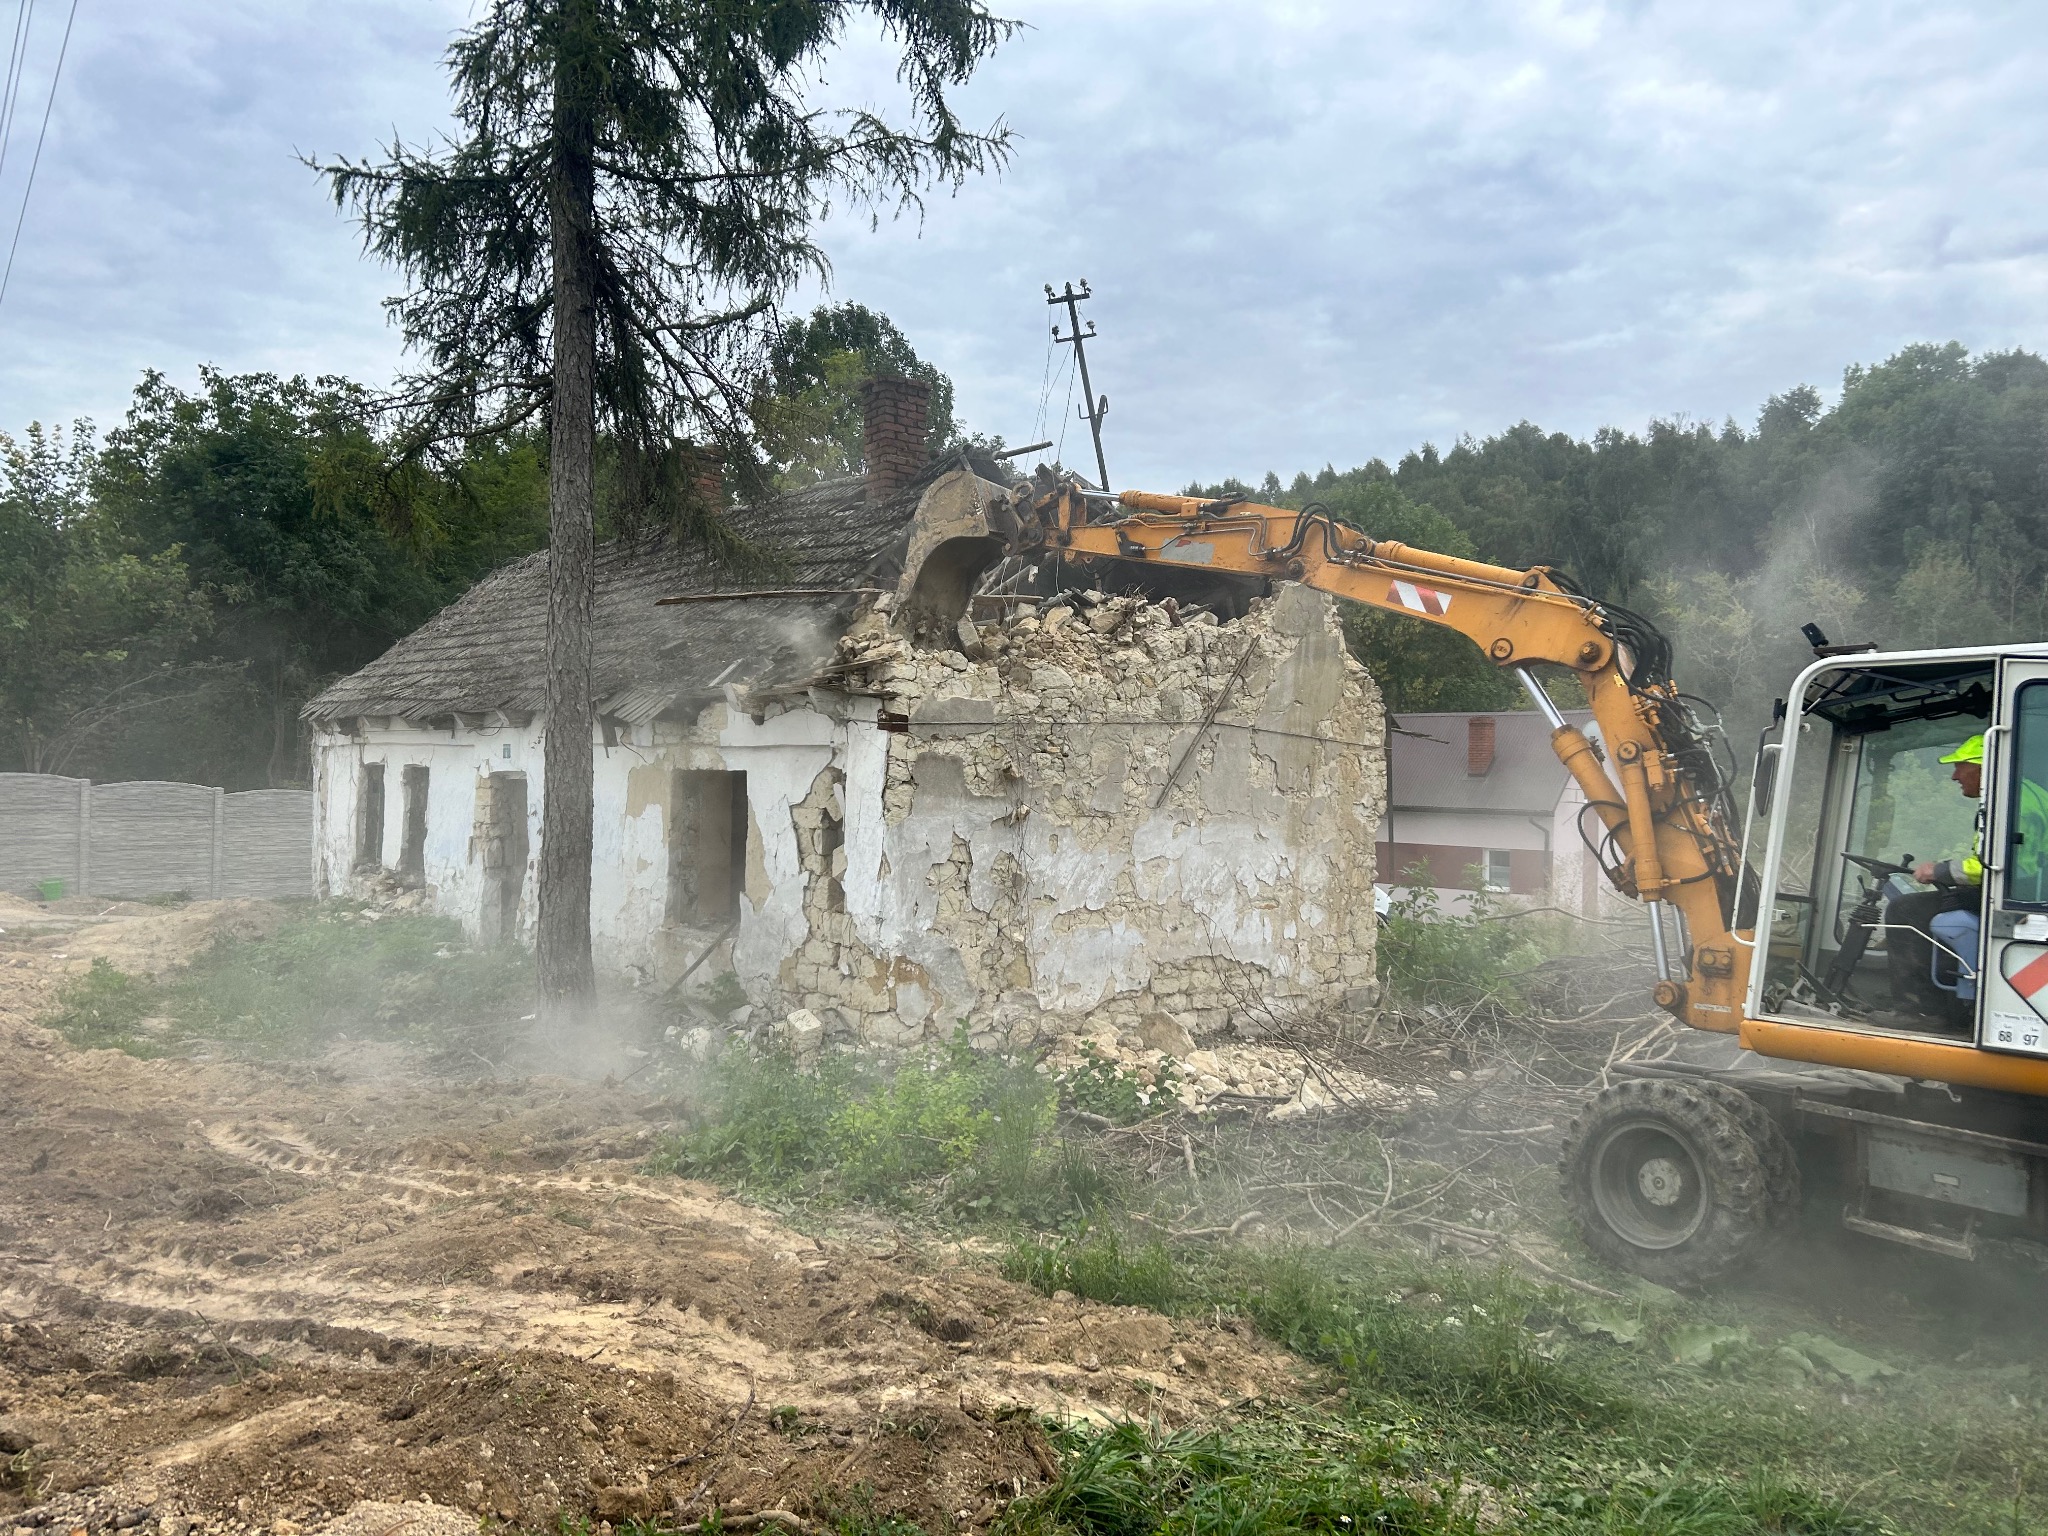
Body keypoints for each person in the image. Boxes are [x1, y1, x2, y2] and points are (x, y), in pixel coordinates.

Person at [1885, 735, 1988, 1022]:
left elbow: (1995, 866)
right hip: (2012, 895)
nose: (1955, 776)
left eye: (1960, 767)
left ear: (1983, 767)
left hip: (2010, 901)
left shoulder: (2011, 806)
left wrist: (1939, 871)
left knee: (1905, 910)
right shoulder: (2017, 798)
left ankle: (1920, 1011)